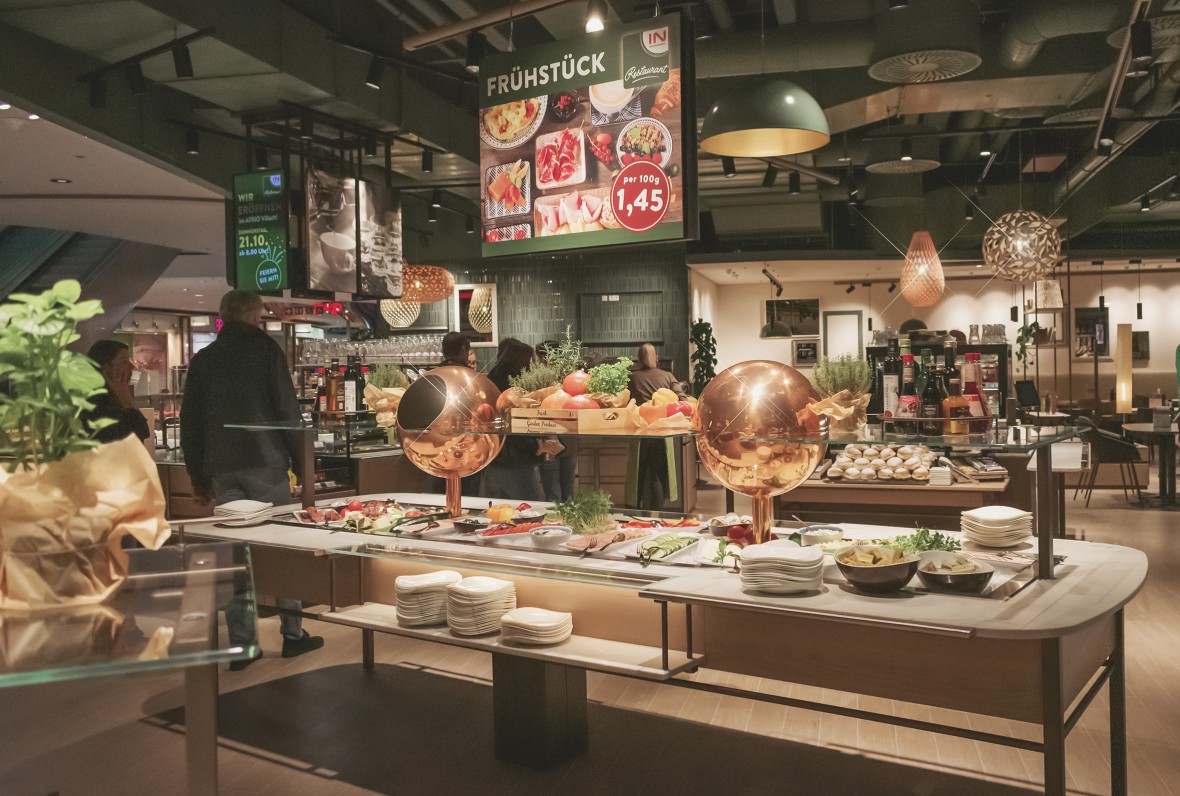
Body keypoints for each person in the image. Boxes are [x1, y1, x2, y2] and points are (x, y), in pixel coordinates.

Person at [181, 290, 323, 669]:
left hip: (222, 466)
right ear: (252, 315)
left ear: (224, 316)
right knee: (281, 548)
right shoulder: (265, 352)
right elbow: (286, 411)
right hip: (265, 463)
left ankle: (243, 645)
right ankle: (293, 633)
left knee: (234, 556)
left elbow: (190, 421)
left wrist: (197, 474)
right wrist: (302, 463)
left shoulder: (204, 359)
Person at [482, 338, 556, 501]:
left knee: (498, 516)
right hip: (517, 465)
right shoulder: (515, 389)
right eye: (533, 361)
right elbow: (515, 428)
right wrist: (536, 445)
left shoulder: (490, 383)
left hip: (493, 462)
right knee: (531, 514)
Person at [628, 343, 685, 510]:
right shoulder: (667, 376)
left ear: (638, 358)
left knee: (638, 475)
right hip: (661, 431)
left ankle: (634, 513)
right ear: (657, 358)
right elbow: (682, 398)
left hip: (639, 430)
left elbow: (625, 400)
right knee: (657, 475)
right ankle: (656, 514)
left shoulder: (633, 377)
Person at [82, 340, 150, 444]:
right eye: (124, 362)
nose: (131, 366)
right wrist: (126, 399)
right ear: (105, 368)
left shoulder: (117, 395)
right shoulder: (97, 402)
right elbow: (136, 437)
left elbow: (144, 432)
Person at [536, 339, 578, 502]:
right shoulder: (570, 379)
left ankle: (556, 525)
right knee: (568, 491)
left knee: (552, 493)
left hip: (550, 441)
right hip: (571, 440)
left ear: (543, 358)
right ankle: (569, 524)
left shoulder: (542, 382)